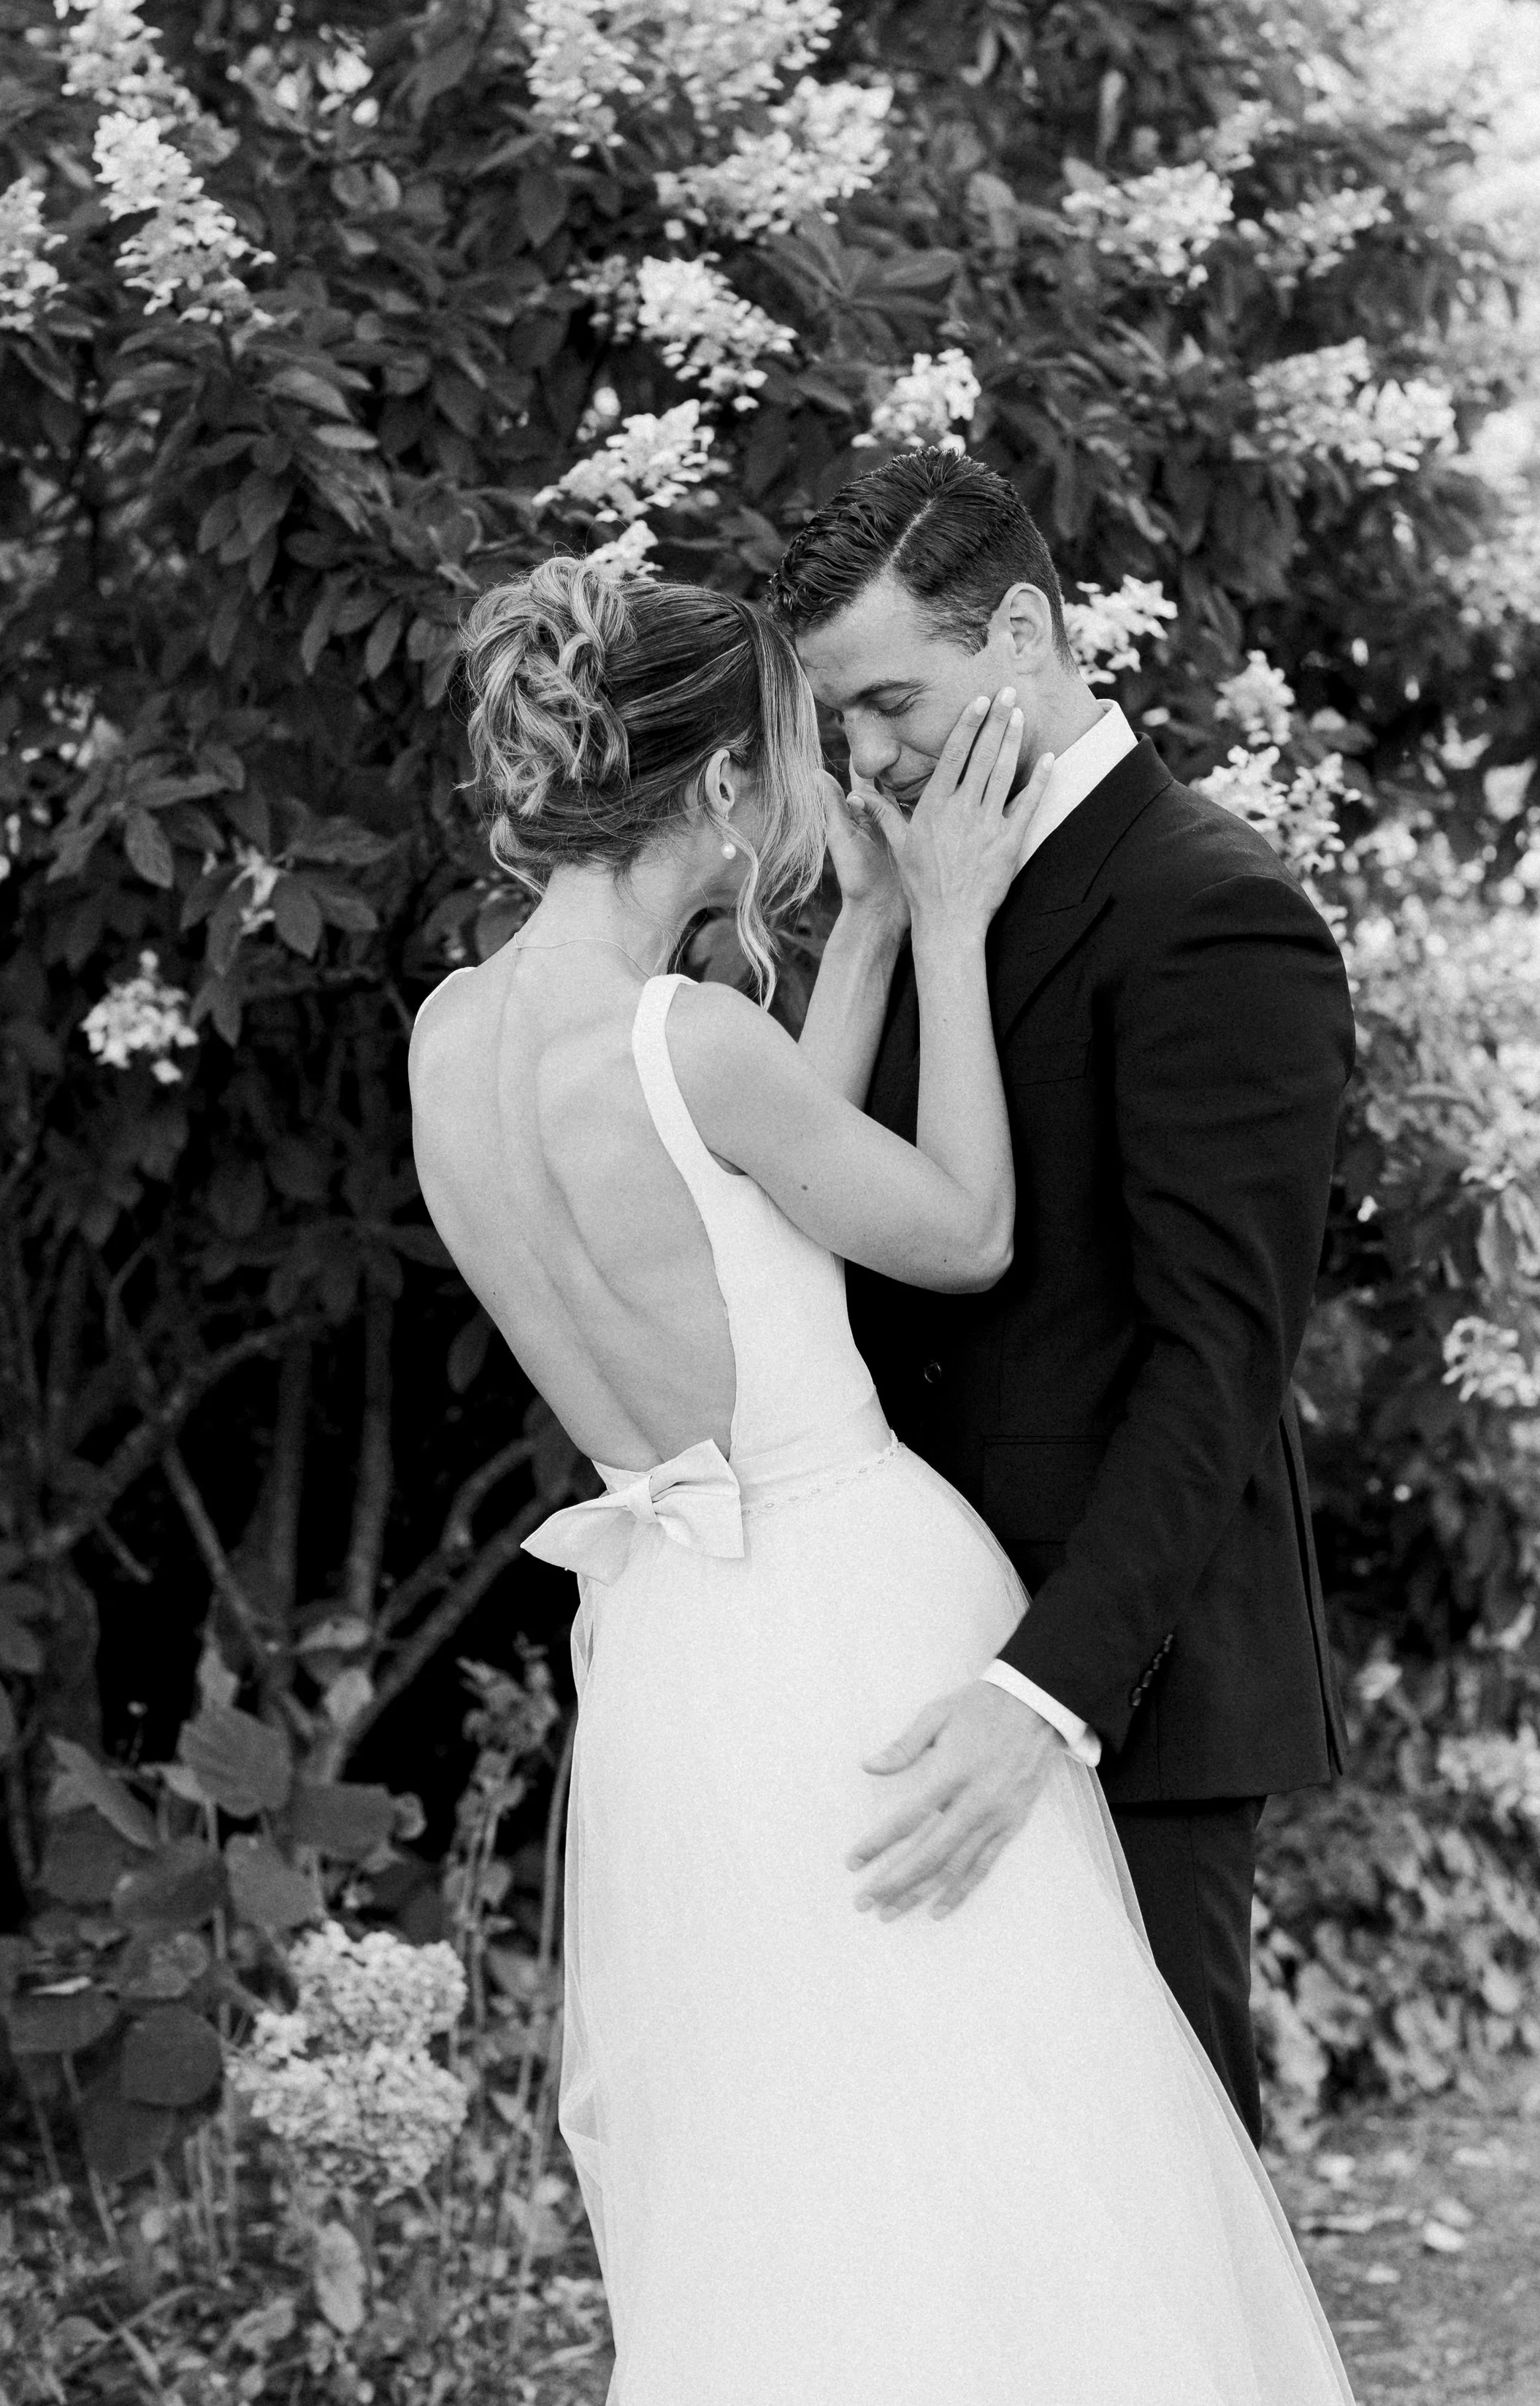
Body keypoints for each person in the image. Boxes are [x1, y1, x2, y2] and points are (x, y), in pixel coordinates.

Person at [410, 553, 1356, 2405]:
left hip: (679, 1654)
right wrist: (933, 923)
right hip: (852, 1615)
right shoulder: (697, 1042)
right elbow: (959, 1229)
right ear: (710, 788)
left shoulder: (456, 1039)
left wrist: (843, 943)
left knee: (794, 2172)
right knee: (1018, 2154)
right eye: (779, 753)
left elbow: (753, 1182)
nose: (805, 785)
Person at [771, 446, 1354, 2143]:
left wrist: (1046, 1694)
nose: (863, 760)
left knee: (1163, 2202)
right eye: (839, 725)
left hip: (1124, 1695)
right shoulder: (916, 895)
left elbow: (1217, 1362)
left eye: (888, 701)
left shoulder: (1213, 909)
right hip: (904, 1645)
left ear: (1019, 633)